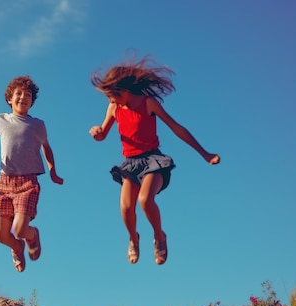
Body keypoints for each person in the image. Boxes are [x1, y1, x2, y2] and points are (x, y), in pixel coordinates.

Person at [89, 56, 220, 265]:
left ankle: (160, 237)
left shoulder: (148, 103)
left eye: (112, 96)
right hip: (130, 164)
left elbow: (176, 128)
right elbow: (103, 133)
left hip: (153, 161)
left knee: (144, 199)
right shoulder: (114, 109)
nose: (110, 101)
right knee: (125, 206)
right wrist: (97, 133)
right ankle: (134, 239)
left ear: (123, 90)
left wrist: (204, 153)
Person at [0, 75, 63, 272]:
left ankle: (32, 235)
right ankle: (18, 247)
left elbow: (46, 148)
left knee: (19, 228)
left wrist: (52, 171)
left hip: (27, 183)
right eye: (18, 94)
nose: (22, 97)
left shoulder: (37, 125)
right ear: (10, 98)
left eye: (27, 95)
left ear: (32, 102)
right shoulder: (1, 120)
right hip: (4, 181)